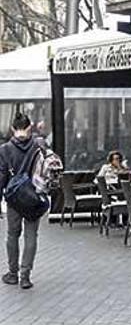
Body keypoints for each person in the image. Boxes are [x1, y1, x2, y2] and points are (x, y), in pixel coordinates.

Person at [0, 113, 51, 289]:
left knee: (12, 234)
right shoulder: (39, 146)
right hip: (34, 197)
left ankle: (12, 273)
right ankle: (25, 276)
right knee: (31, 236)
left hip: (14, 199)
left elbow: (1, 176)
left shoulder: (4, 149)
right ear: (30, 127)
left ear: (13, 128)